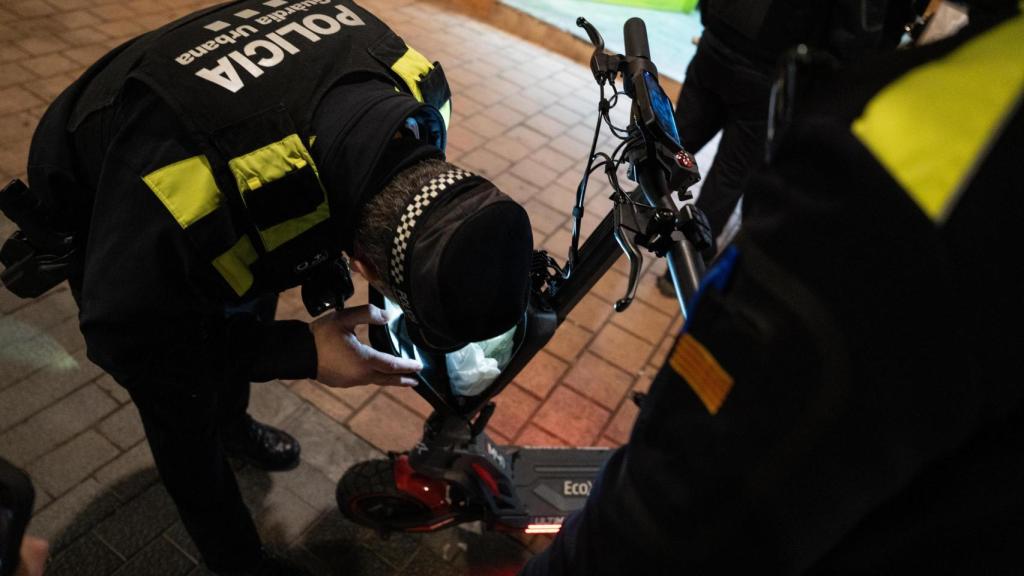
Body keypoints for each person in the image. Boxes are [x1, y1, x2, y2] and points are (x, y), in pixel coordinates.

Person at [15, 1, 533, 574]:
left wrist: (306, 269)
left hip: (221, 162)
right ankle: (237, 561)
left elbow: (287, 212)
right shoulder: (193, 190)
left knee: (249, 274)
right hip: (109, 178)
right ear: (364, 264)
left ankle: (234, 424)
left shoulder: (418, 94)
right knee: (180, 410)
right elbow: (130, 342)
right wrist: (300, 352)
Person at [523, 0, 1023, 573]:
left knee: (673, 157)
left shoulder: (937, 132)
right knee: (710, 177)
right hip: (760, 68)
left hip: (724, 50)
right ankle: (676, 264)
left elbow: (681, 497)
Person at [657, 0, 911, 297]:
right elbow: (856, 31)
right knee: (729, 175)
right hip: (771, 66)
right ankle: (682, 271)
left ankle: (628, 222)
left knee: (675, 143)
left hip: (719, 38)